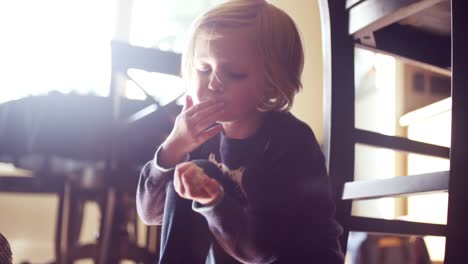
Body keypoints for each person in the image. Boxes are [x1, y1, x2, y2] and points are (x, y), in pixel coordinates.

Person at [136, 0, 344, 263]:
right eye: (204, 69)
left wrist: (214, 201)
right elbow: (149, 213)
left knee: (204, 173)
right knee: (189, 173)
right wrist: (173, 148)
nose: (213, 83)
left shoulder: (291, 143)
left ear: (270, 84)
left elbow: (263, 250)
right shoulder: (196, 137)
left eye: (233, 73)